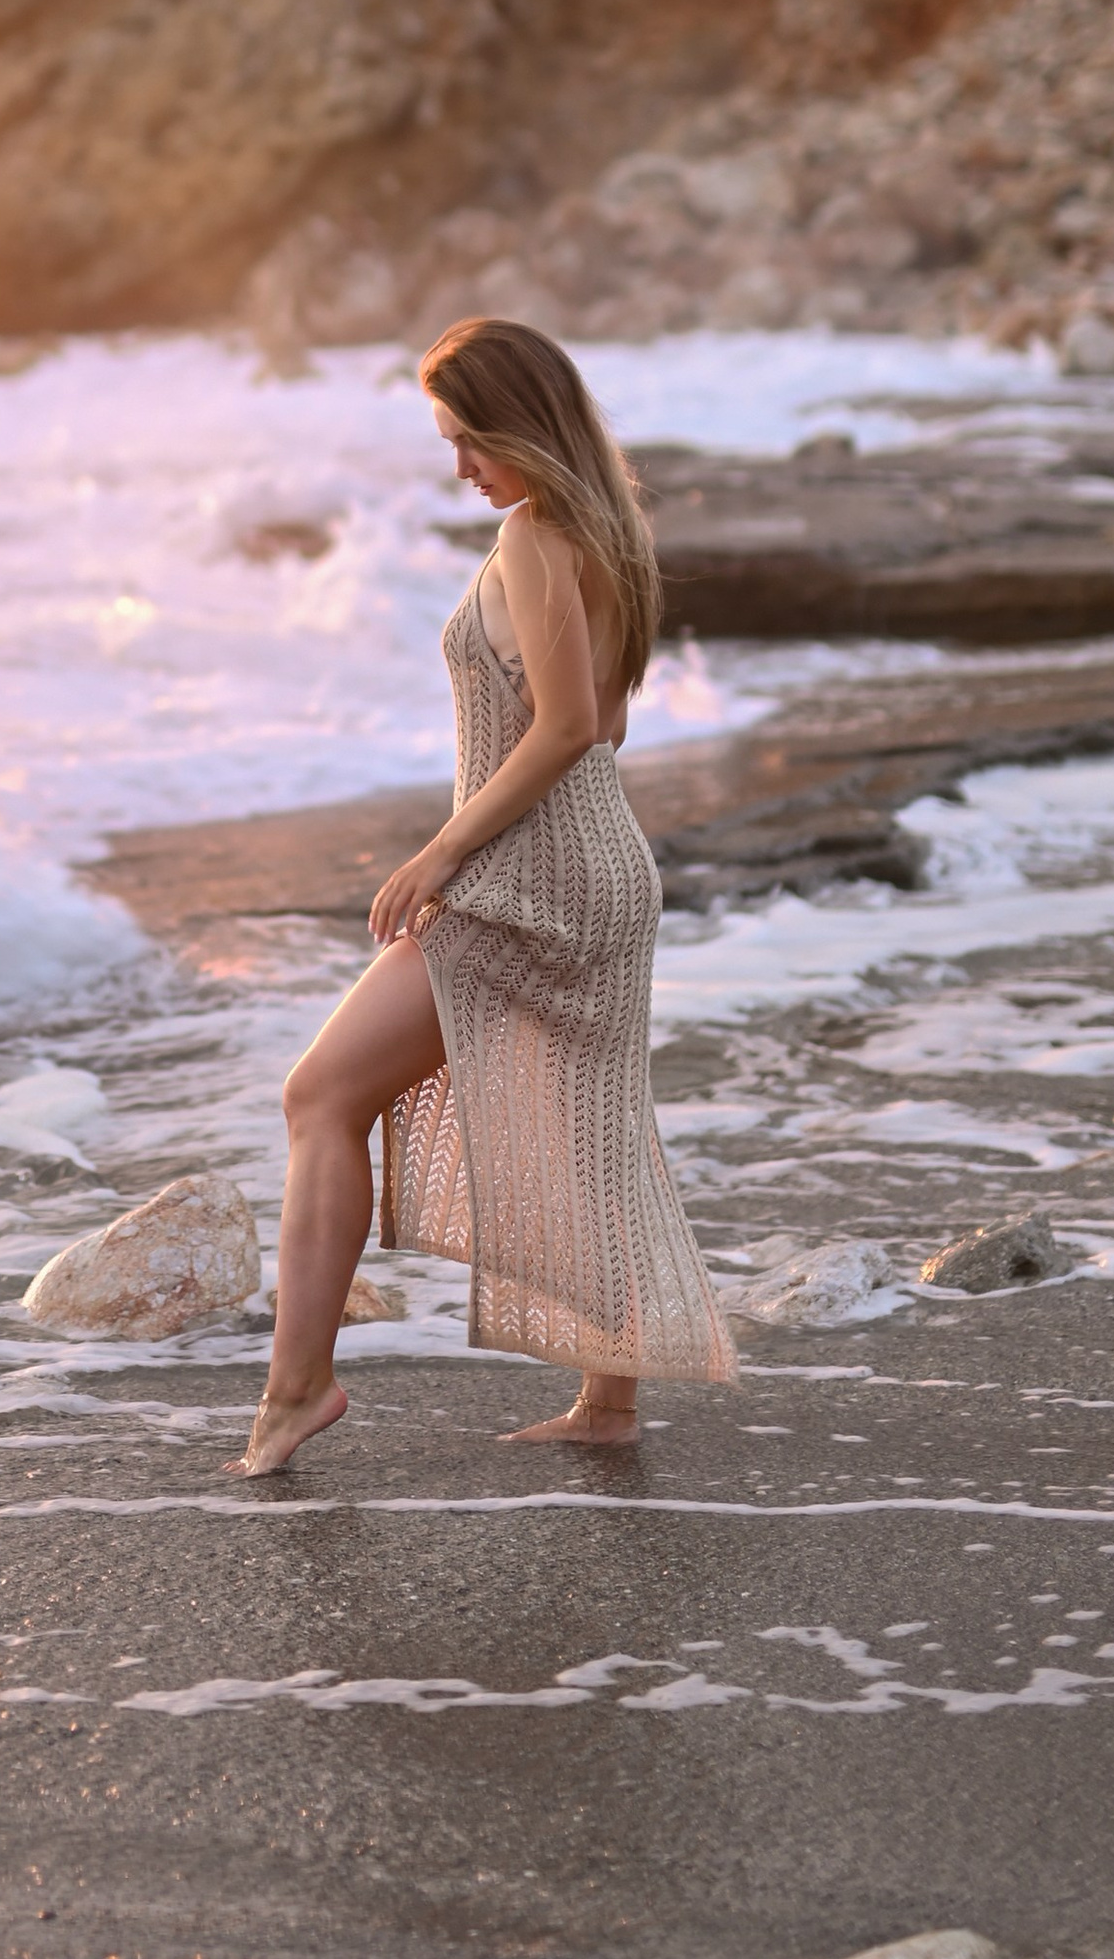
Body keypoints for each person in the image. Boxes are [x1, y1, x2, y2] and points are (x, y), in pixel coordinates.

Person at [230, 316, 737, 1476]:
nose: (460, 467)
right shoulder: (603, 531)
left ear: (521, 425)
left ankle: (297, 1389)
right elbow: (604, 723)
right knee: (590, 1129)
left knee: (319, 1096)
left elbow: (564, 730)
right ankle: (606, 1403)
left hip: (536, 873)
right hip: (602, 865)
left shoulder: (530, 541)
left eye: (469, 441)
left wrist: (444, 851)